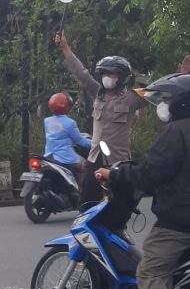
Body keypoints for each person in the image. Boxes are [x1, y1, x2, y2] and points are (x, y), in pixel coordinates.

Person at [95, 73, 190, 289]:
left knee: (148, 272)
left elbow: (150, 175)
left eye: (166, 100)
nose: (163, 105)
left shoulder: (177, 132)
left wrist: (114, 175)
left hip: (180, 221)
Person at [55, 30, 145, 209]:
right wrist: (65, 47)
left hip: (118, 161)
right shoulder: (97, 93)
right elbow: (81, 73)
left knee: (120, 206)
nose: (106, 78)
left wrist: (181, 76)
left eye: (110, 74)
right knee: (86, 204)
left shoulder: (132, 99)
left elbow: (161, 95)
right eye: (104, 73)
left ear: (121, 77)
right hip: (95, 157)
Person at [43, 92, 92, 177]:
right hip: (65, 157)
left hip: (49, 156)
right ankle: (81, 189)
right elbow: (81, 141)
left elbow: (60, 133)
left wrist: (80, 134)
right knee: (85, 165)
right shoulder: (70, 123)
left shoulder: (47, 121)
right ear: (67, 107)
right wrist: (96, 143)